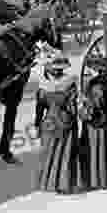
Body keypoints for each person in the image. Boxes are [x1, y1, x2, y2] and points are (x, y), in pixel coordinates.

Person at [35, 52, 79, 194]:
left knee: (49, 154)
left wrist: (38, 124)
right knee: (64, 154)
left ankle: (49, 183)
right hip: (65, 121)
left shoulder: (43, 85)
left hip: (49, 122)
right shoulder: (70, 83)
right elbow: (73, 107)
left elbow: (40, 107)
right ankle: (63, 184)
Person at [78, 72, 107, 190]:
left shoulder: (89, 83)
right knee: (105, 148)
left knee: (93, 148)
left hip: (93, 123)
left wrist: (87, 109)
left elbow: (86, 104)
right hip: (105, 122)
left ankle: (91, 179)